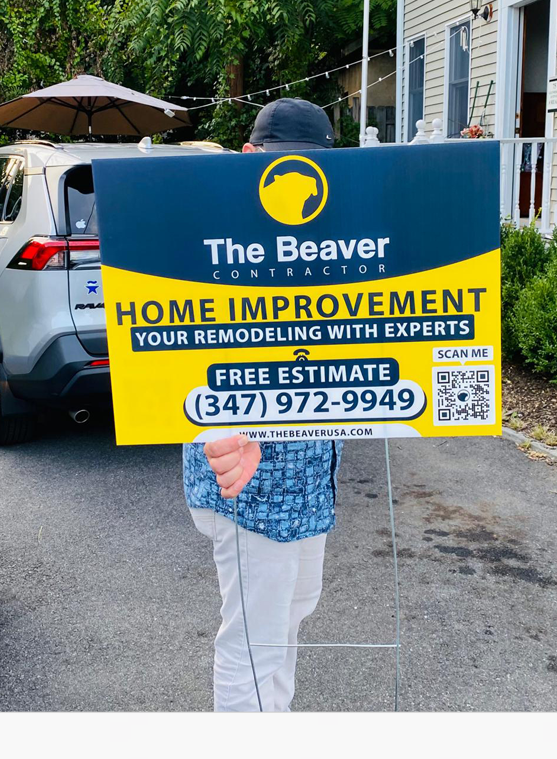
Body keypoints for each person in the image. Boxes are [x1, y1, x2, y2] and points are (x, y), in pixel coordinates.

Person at [183, 97, 341, 713]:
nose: (298, 184)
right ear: (249, 157)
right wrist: (218, 428)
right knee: (252, 645)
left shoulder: (327, 243)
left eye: (313, 170)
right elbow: (172, 349)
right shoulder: (215, 239)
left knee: (287, 626)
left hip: (309, 481)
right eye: (284, 167)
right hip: (250, 486)